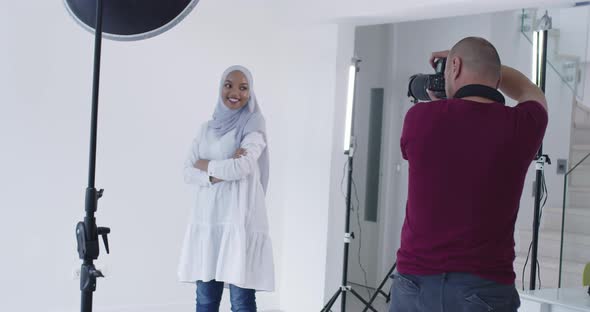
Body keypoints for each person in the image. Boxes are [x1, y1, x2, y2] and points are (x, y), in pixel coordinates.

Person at [390, 37, 548, 312]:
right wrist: (492, 69)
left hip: (415, 282)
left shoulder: (419, 119)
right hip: (484, 288)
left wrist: (446, 95)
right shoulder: (522, 125)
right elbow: (529, 91)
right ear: (497, 80)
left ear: (454, 65)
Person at [178, 65, 274, 312]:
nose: (235, 92)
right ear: (221, 87)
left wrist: (206, 165)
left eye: (243, 88)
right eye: (229, 85)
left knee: (241, 302)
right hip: (208, 222)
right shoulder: (206, 128)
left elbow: (242, 167)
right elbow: (188, 171)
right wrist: (218, 170)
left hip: (238, 222)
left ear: (250, 93)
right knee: (206, 300)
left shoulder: (254, 125)